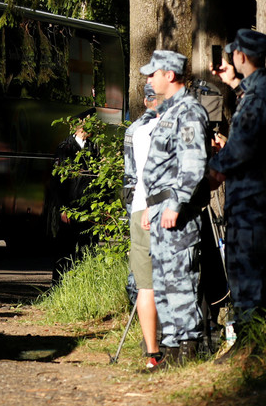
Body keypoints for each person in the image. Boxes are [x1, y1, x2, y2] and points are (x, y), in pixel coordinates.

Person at [140, 50, 209, 368]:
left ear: (170, 75)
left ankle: (187, 351)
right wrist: (150, 206)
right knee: (164, 281)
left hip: (176, 213)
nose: (149, 79)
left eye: (153, 73)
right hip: (159, 210)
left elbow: (193, 162)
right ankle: (168, 351)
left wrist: (176, 202)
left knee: (180, 280)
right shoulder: (169, 111)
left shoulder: (189, 110)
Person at [208, 29, 266, 361]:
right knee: (244, 271)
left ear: (241, 56)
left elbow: (241, 150)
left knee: (247, 274)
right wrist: (232, 82)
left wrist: (211, 170)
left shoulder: (258, 98)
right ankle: (248, 341)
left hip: (251, 203)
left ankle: (250, 347)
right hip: (250, 200)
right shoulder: (255, 91)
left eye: (233, 55)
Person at [123, 83, 162, 369]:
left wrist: (133, 214)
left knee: (144, 284)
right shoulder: (172, 125)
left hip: (139, 209)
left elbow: (130, 178)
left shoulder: (135, 130)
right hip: (163, 207)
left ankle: (152, 351)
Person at [50, 111, 99, 282]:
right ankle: (58, 286)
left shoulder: (94, 148)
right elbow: (57, 182)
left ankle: (85, 286)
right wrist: (63, 208)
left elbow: (100, 181)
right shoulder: (65, 148)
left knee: (88, 250)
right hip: (70, 208)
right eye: (90, 122)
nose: (94, 126)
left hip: (90, 210)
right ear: (80, 125)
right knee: (65, 250)